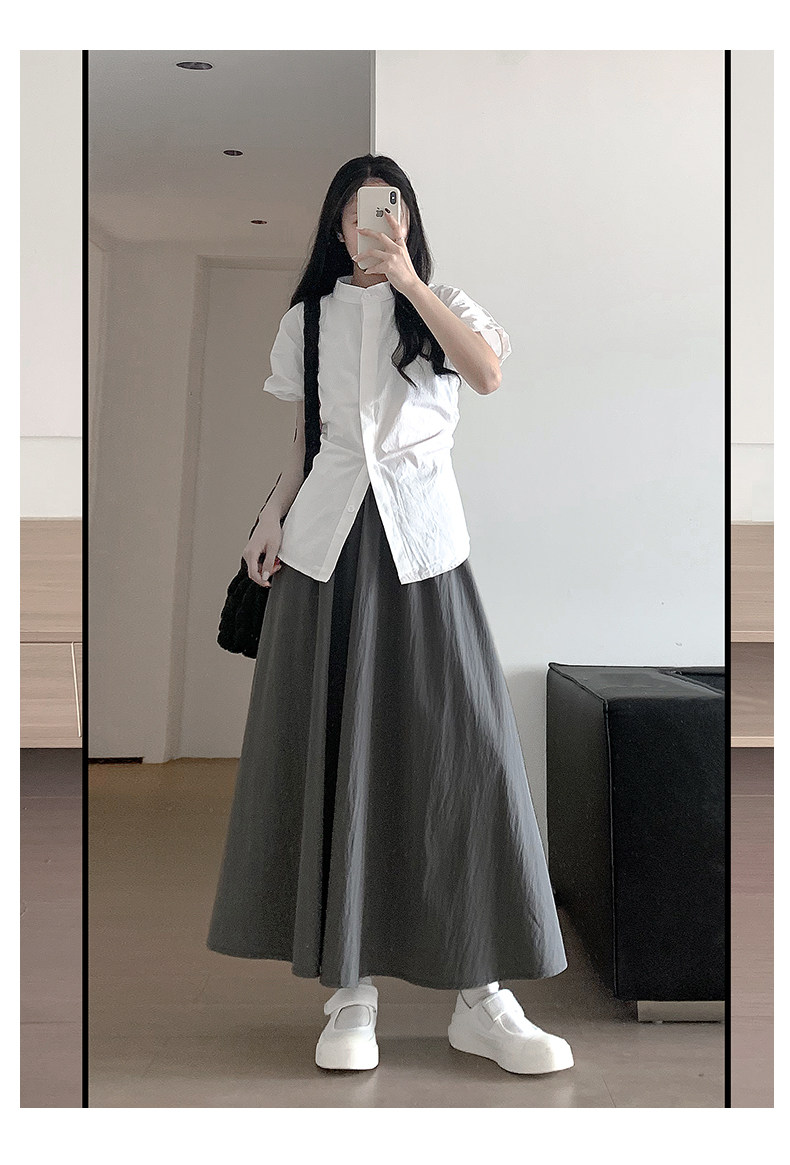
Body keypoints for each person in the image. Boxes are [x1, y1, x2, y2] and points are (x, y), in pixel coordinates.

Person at [206, 154, 574, 1076]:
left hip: (425, 552)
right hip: (323, 552)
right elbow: (309, 441)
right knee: (335, 755)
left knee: (467, 757)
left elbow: (487, 374)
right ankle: (350, 990)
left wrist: (409, 281)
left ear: (405, 221)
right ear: (336, 227)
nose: (368, 226)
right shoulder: (307, 319)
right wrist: (269, 517)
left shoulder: (442, 303)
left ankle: (482, 995)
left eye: (386, 210)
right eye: (355, 214)